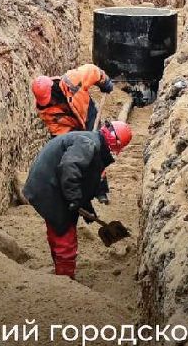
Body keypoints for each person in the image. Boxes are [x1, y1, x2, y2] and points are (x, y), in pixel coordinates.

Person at [21, 120, 133, 278]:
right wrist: (74, 199)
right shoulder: (88, 144)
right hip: (49, 187)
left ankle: (60, 272)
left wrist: (86, 206)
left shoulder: (91, 141)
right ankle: (65, 279)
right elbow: (69, 167)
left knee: (58, 230)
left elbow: (84, 177)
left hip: (52, 183)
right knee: (64, 234)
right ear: (116, 145)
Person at [32, 64, 115, 202]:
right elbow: (58, 131)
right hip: (71, 129)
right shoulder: (46, 110)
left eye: (49, 98)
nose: (50, 102)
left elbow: (92, 71)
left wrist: (104, 81)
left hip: (88, 115)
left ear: (53, 88)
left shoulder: (72, 80)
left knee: (97, 150)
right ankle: (83, 190)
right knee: (80, 156)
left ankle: (101, 190)